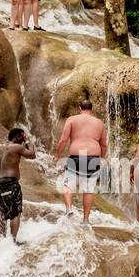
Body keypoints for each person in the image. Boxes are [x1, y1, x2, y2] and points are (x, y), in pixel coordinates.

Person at [55, 95, 107, 224]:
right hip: (93, 157)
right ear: (92, 110)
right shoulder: (99, 123)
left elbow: (63, 139)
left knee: (67, 185)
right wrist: (101, 158)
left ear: (80, 108)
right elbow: (104, 145)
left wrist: (57, 154)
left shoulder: (72, 119)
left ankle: (68, 209)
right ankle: (85, 220)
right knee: (88, 189)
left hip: (77, 156)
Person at [0, 128, 36, 242]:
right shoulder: (17, 147)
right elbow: (32, 155)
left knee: (3, 213)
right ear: (18, 137)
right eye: (23, 136)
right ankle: (12, 242)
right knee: (15, 213)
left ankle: (2, 240)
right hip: (11, 183)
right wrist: (30, 140)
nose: (24, 138)